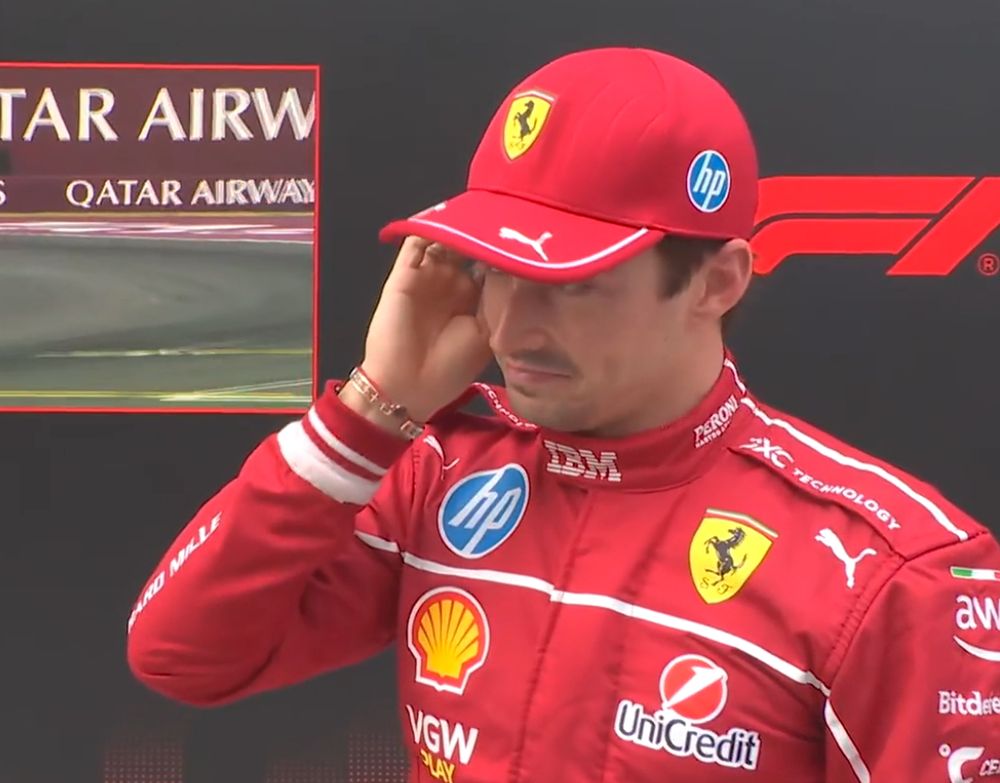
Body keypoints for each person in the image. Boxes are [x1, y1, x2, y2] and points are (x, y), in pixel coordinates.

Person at [126, 47, 1000, 782]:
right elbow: (183, 656)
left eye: (572, 284)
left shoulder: (889, 571)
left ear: (718, 282)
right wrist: (369, 414)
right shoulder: (441, 468)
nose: (511, 328)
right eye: (495, 271)